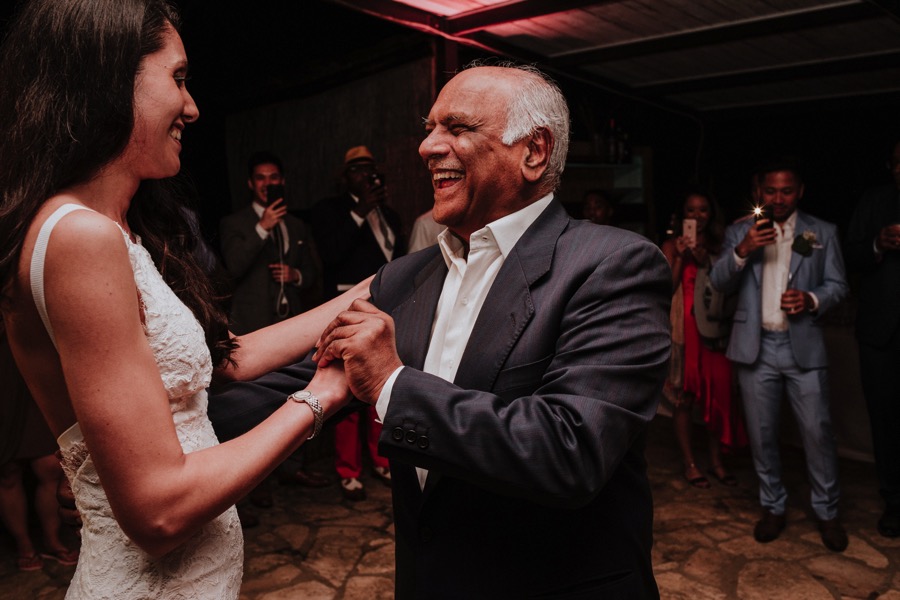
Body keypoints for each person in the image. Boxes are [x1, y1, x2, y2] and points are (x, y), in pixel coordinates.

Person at [211, 61, 671, 599]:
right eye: (429, 128)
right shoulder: (405, 276)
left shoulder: (612, 265)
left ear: (534, 151)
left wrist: (391, 383)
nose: (428, 146)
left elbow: (570, 450)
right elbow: (292, 381)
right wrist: (149, 433)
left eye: (457, 127)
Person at [0, 0, 368, 596]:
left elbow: (224, 359)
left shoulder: (110, 228)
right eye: (177, 78)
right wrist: (321, 397)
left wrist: (384, 286)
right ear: (110, 80)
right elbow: (158, 513)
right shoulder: (79, 237)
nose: (193, 107)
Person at [710, 159, 850, 551]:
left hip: (802, 346)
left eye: (786, 191)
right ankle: (772, 506)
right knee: (762, 435)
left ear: (800, 191)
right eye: (770, 191)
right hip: (756, 348)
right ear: (760, 192)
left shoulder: (822, 232)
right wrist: (742, 250)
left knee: (818, 435)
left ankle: (827, 512)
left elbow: (839, 284)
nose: (778, 198)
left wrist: (812, 298)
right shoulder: (742, 229)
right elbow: (719, 280)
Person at [311, 146, 404, 500]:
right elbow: (331, 255)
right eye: (357, 170)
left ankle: (382, 459)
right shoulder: (329, 211)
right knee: (345, 386)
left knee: (381, 385)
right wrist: (361, 211)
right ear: (345, 177)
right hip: (342, 309)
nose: (366, 176)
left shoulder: (390, 216)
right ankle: (348, 469)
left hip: (384, 310)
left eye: (370, 169)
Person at [661, 190, 746, 489]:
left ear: (711, 214)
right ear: (682, 214)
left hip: (714, 332)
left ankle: (717, 461)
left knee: (719, 394)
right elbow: (664, 289)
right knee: (683, 400)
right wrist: (682, 258)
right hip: (683, 333)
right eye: (691, 210)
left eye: (703, 210)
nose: (697, 216)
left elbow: (728, 287)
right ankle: (691, 464)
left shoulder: (723, 244)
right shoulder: (671, 245)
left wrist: (706, 260)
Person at [844, 138, 900, 538]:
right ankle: (894, 502)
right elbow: (851, 255)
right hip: (880, 332)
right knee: (885, 422)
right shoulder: (874, 200)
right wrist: (878, 243)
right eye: (898, 163)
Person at [0, 321, 78, 571]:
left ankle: (52, 539)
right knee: (7, 473)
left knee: (51, 467)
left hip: (27, 368)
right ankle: (24, 545)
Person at [219, 151, 319, 336]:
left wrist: (295, 275)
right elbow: (234, 267)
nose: (267, 184)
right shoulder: (234, 223)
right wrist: (262, 227)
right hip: (252, 324)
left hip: (292, 321)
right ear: (251, 183)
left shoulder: (295, 225)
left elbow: (311, 272)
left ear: (282, 181)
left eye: (273, 178)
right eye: (260, 178)